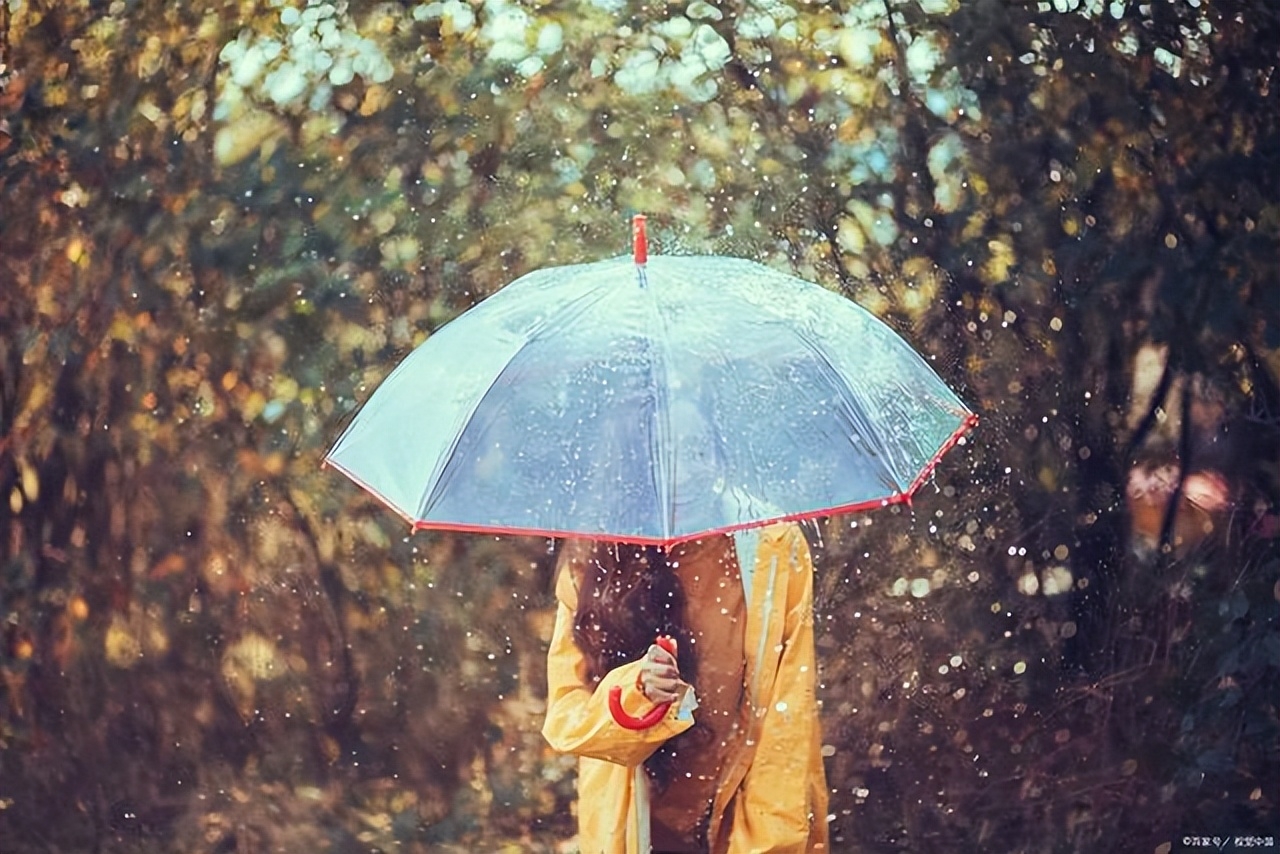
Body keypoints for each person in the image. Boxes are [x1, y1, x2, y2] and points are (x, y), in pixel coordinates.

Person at [542, 522, 829, 854]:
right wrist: (637, 694)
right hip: (631, 823)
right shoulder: (592, 557)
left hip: (737, 814)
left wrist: (768, 844)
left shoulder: (772, 548)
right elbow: (566, 716)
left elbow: (786, 721)